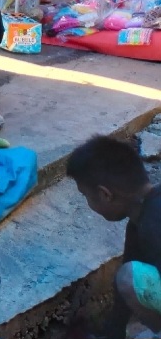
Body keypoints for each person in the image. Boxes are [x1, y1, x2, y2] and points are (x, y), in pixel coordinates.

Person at [67, 136, 161, 339]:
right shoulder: (139, 220)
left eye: (86, 196)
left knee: (129, 278)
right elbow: (121, 290)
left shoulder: (154, 222)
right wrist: (113, 332)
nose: (88, 204)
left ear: (105, 194)